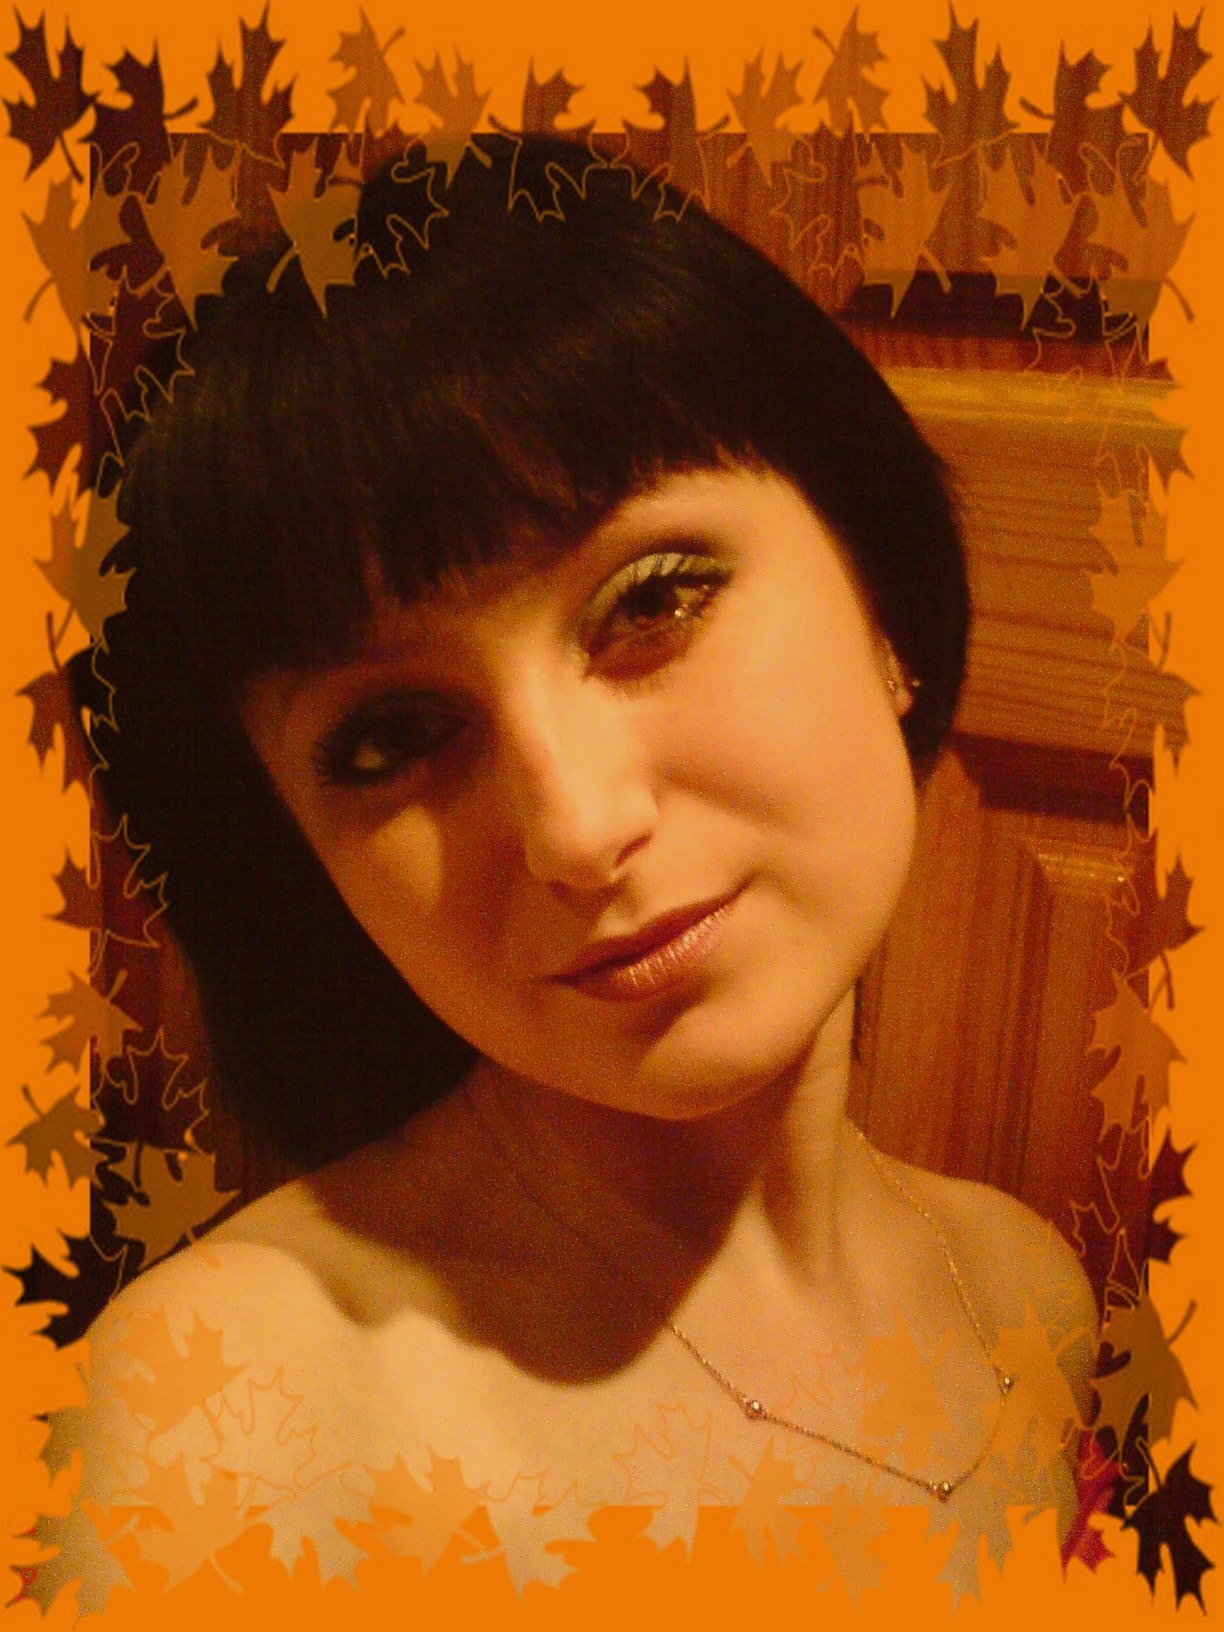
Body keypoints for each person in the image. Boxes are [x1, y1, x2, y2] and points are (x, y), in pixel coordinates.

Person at [38, 137, 1097, 1605]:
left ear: (885, 607)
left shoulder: (1027, 1288)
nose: (578, 830)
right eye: (392, 738)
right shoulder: (223, 1435)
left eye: (652, 601)